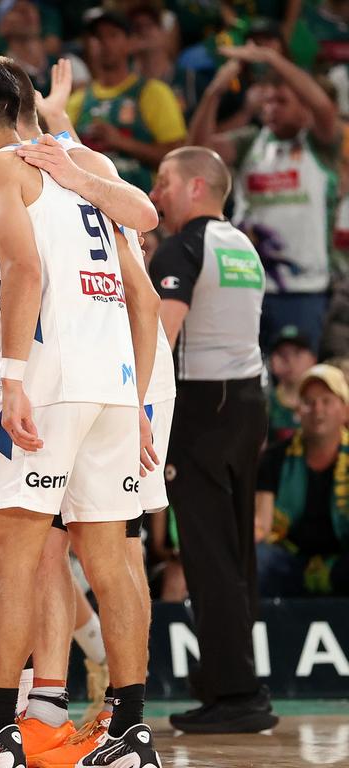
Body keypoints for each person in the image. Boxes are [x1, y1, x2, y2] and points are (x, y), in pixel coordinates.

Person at [0, 57, 162, 768]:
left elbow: (24, 271)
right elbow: (141, 294)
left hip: (49, 378)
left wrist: (16, 380)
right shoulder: (82, 161)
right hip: (116, 386)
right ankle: (132, 734)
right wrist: (140, 401)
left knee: (12, 555)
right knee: (111, 560)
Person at [148, 145, 278, 734]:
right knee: (236, 557)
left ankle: (236, 693)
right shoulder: (243, 244)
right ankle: (232, 681)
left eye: (164, 182)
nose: (155, 194)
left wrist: (139, 410)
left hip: (203, 404)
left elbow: (160, 336)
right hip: (249, 402)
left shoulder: (185, 246)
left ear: (197, 187)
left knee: (207, 555)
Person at [188, 43, 340, 352]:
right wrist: (214, 92)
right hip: (246, 284)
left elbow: (324, 108)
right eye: (267, 102)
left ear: (304, 108)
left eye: (282, 101)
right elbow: (198, 152)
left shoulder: (320, 144)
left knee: (295, 377)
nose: (271, 108)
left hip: (303, 290)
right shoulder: (251, 143)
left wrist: (272, 58)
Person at [66, 10, 187, 192]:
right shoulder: (77, 100)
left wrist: (120, 142)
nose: (105, 43)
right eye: (97, 37)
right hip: (91, 209)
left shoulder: (154, 93)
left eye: (113, 35)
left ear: (130, 43)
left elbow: (177, 157)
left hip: (144, 203)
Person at [256, 363, 349, 597]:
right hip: (291, 561)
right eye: (308, 402)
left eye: (326, 401)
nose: (317, 409)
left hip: (342, 560)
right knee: (257, 559)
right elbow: (262, 526)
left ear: (345, 410)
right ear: (298, 411)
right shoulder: (275, 457)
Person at [267, 326, 317, 445]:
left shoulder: (324, 402)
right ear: (272, 361)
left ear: (313, 359)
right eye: (282, 354)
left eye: (297, 353)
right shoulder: (266, 404)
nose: (289, 360)